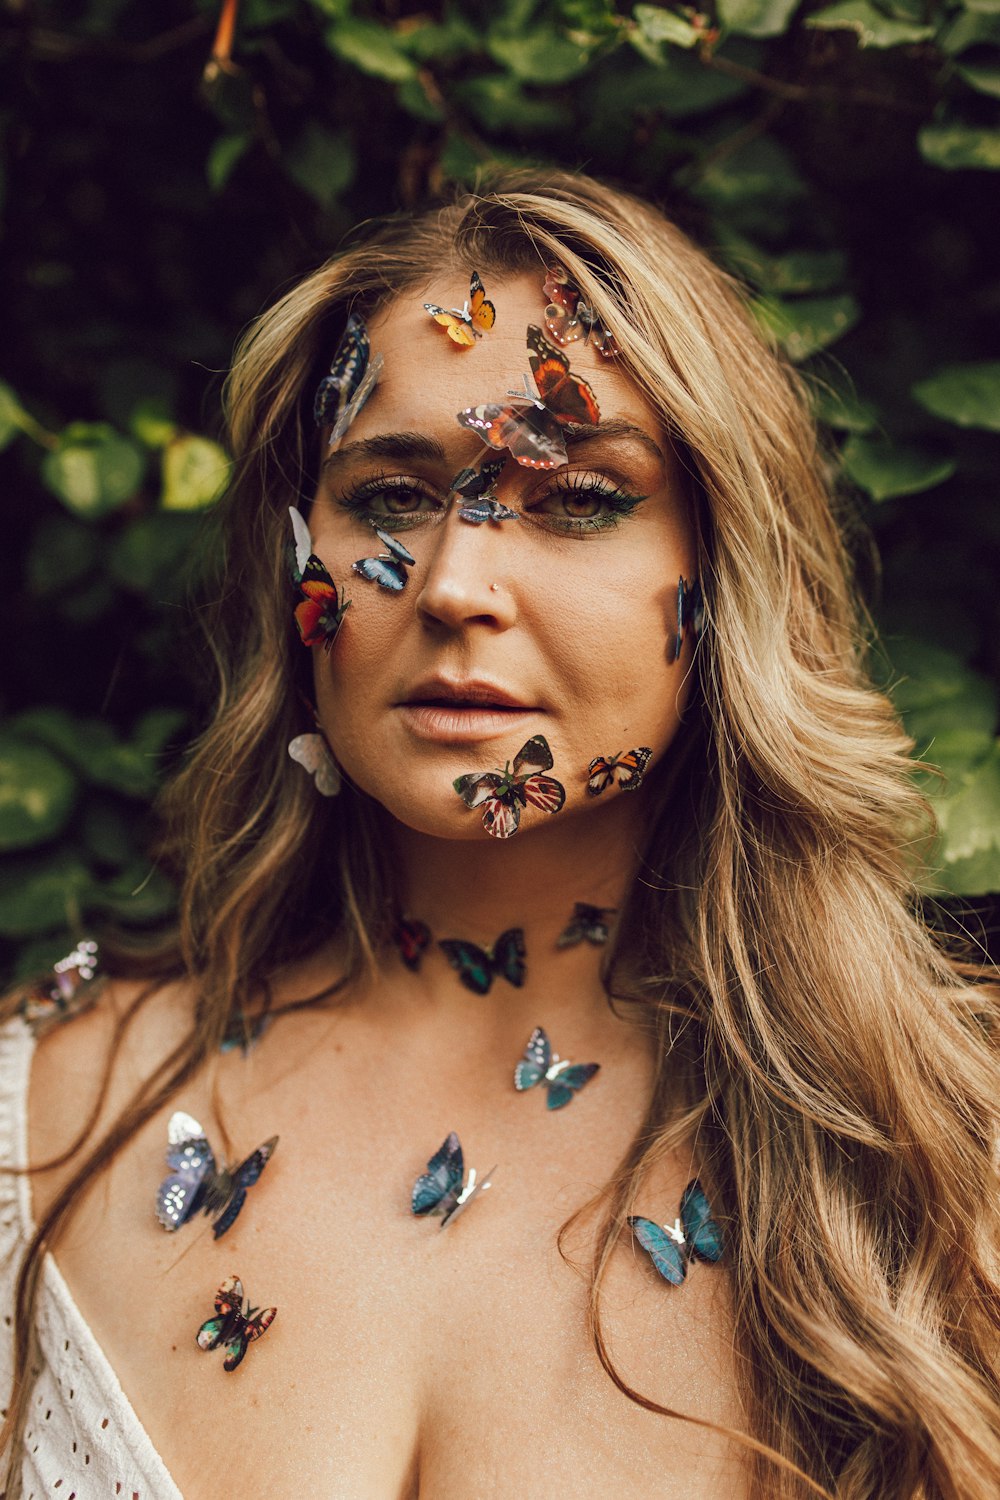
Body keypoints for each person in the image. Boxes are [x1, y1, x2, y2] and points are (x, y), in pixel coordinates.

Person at [1, 169, 997, 1500]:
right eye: (392, 497)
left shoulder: (942, 1162)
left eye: (579, 497)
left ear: (728, 575)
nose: (456, 584)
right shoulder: (39, 1122)